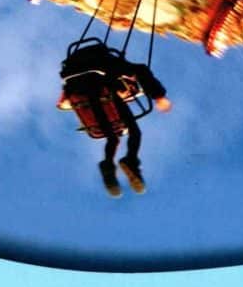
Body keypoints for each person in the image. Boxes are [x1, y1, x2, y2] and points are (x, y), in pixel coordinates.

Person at [58, 46, 171, 197]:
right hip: (101, 90)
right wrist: (159, 96)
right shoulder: (109, 63)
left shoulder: (76, 68)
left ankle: (108, 165)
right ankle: (130, 161)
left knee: (113, 138)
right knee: (135, 132)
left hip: (86, 95)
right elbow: (139, 69)